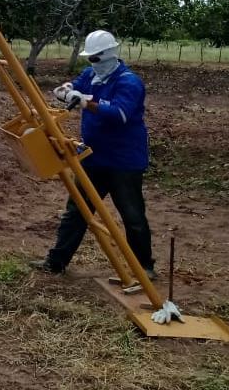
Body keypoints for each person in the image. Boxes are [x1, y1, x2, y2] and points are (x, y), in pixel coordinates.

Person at [32, 29, 155, 277]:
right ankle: (56, 262)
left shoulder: (129, 82)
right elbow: (76, 85)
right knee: (77, 210)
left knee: (132, 216)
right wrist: (65, 89)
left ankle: (144, 267)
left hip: (124, 162)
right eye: (90, 58)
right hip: (93, 157)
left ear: (110, 55)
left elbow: (120, 114)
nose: (92, 62)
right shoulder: (92, 74)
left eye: (95, 58)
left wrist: (86, 102)